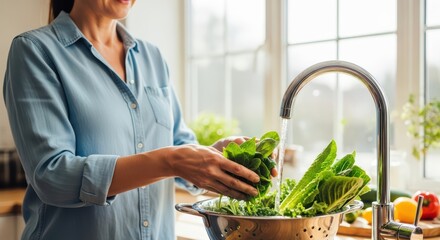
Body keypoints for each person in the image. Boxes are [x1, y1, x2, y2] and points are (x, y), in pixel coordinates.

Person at [3, 0, 276, 239]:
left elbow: (179, 142)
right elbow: (52, 176)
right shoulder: (35, 51)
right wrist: (170, 160)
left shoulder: (152, 57)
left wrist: (217, 157)